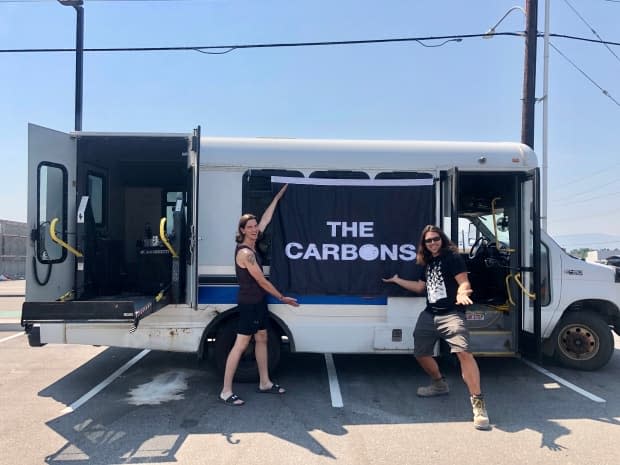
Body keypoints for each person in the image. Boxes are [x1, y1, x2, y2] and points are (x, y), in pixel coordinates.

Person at [383, 225, 490, 430]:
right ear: (424, 244)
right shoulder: (429, 262)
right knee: (421, 353)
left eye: (435, 239)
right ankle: (439, 384)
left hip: (452, 314)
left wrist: (462, 293)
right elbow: (420, 287)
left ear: (442, 239)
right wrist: (397, 280)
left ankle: (478, 405)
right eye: (428, 241)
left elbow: (464, 283)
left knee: (463, 352)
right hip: (430, 314)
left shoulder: (453, 258)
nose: (432, 243)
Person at [219, 184, 299, 406]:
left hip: (259, 303)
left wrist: (278, 197)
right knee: (241, 345)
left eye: (255, 226)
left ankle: (264, 382)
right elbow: (262, 281)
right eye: (250, 227)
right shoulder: (246, 253)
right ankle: (226, 390)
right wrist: (282, 298)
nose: (255, 229)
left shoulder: (254, 243)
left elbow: (266, 219)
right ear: (242, 230)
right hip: (249, 304)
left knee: (262, 338)